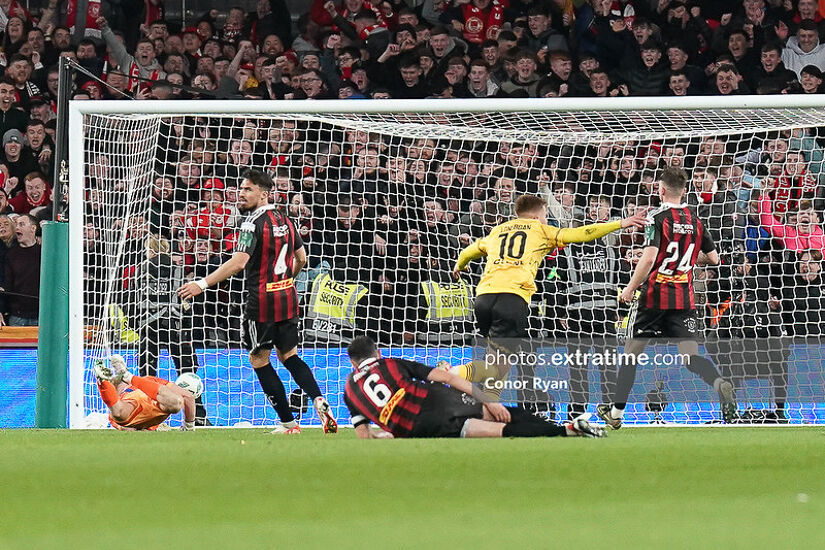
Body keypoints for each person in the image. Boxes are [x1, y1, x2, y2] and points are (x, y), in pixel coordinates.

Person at [177, 169, 337, 434]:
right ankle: (318, 398)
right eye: (241, 189)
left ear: (264, 194)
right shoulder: (285, 219)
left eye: (248, 189)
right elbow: (303, 259)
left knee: (260, 361)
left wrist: (201, 283)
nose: (241, 193)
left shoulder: (252, 223)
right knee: (290, 356)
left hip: (262, 302)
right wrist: (287, 279)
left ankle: (288, 424)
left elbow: (239, 263)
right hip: (287, 296)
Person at [450, 194, 646, 404]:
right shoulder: (540, 230)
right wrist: (620, 223)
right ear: (536, 216)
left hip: (483, 298)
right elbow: (582, 233)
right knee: (498, 363)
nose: (546, 218)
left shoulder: (498, 230)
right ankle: (450, 372)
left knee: (497, 360)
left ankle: (484, 405)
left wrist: (459, 266)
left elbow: (470, 250)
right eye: (545, 214)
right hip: (511, 299)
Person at [598, 168, 736, 429]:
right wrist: (685, 253)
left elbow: (649, 258)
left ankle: (615, 414)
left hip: (655, 296)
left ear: (661, 190)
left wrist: (629, 288)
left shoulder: (656, 218)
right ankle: (720, 383)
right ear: (684, 190)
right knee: (691, 357)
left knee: (631, 354)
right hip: (684, 298)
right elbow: (714, 259)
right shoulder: (695, 221)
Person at [344, 336, 606, 439]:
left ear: (353, 363)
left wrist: (390, 434)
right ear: (376, 352)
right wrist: (490, 399)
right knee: (504, 414)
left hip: (419, 428)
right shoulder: (390, 363)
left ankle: (570, 432)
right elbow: (446, 378)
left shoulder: (348, 392)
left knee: (501, 430)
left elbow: (365, 438)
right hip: (437, 400)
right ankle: (568, 428)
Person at [130, 234, 210, 425]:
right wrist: (188, 325)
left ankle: (145, 417)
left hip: (149, 327)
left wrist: (137, 325)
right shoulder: (177, 269)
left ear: (150, 250)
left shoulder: (142, 270)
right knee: (187, 371)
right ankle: (197, 415)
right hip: (175, 327)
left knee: (147, 373)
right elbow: (187, 299)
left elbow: (132, 300)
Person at [93, 354, 197, 431]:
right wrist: (189, 426)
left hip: (131, 404)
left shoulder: (150, 382)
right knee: (176, 402)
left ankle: (103, 381)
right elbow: (189, 397)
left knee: (118, 413)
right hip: (143, 404)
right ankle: (115, 378)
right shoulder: (164, 388)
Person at [1, 213, 40, 327]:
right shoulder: (10, 254)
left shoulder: (44, 253)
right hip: (17, 316)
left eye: (22, 224)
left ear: (33, 228)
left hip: (41, 315)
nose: (17, 227)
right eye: (16, 224)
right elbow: (6, 286)